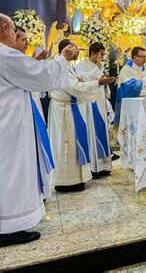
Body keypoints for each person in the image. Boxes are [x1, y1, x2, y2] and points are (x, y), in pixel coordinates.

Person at [0, 13, 76, 247]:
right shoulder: (2, 55)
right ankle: (11, 229)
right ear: (6, 28)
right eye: (14, 30)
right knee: (10, 175)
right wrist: (62, 58)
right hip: (7, 129)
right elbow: (42, 76)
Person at [49, 39, 115, 192]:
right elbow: (73, 87)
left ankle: (76, 178)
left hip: (71, 107)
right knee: (67, 145)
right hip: (64, 110)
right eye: (73, 49)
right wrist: (97, 83)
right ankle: (66, 181)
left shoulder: (67, 66)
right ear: (64, 50)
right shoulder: (61, 66)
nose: (76, 52)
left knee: (73, 144)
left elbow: (74, 83)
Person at [12, 27, 54, 200]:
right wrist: (35, 63)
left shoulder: (23, 60)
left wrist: (36, 63)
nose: (27, 43)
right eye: (23, 40)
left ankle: (40, 191)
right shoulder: (11, 60)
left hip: (33, 110)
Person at [115, 46, 146, 167]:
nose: (145, 59)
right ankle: (136, 160)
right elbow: (130, 88)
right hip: (133, 107)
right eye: (142, 56)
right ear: (134, 57)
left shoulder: (145, 69)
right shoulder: (127, 69)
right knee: (137, 130)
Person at [76, 42, 113, 178]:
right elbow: (83, 80)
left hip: (101, 99)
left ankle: (105, 166)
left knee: (102, 128)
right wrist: (96, 68)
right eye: (100, 54)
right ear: (93, 53)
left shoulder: (100, 65)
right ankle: (95, 168)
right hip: (90, 101)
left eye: (102, 55)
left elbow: (101, 80)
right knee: (93, 131)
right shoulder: (81, 65)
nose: (101, 58)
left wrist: (106, 85)